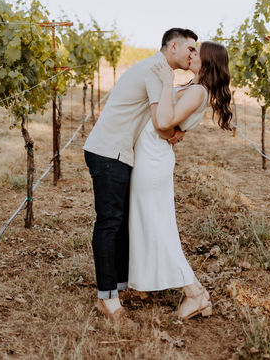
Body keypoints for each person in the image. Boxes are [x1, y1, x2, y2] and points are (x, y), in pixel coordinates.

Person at [83, 27, 198, 322]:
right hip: (109, 151)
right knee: (109, 223)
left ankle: (117, 287)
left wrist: (179, 129)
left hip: (120, 152)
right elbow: (162, 122)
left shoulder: (157, 72)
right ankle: (106, 298)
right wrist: (175, 130)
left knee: (119, 223)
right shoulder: (155, 71)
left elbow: (169, 111)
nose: (192, 54)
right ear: (173, 47)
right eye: (189, 49)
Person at [128, 41, 233, 320]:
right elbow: (169, 124)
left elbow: (164, 121)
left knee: (158, 226)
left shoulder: (198, 91)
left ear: (208, 62)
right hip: (150, 154)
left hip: (153, 160)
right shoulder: (193, 87)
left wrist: (165, 82)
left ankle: (195, 293)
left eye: (197, 52)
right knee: (150, 222)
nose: (191, 54)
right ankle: (152, 281)